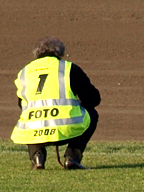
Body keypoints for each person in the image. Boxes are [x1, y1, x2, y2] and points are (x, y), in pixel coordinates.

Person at [10, 37, 100, 170]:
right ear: (60, 53)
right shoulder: (68, 68)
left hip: (34, 131)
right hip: (67, 128)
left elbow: (22, 105)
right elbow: (93, 99)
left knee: (28, 117)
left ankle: (37, 157)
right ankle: (72, 157)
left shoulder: (25, 71)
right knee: (92, 114)